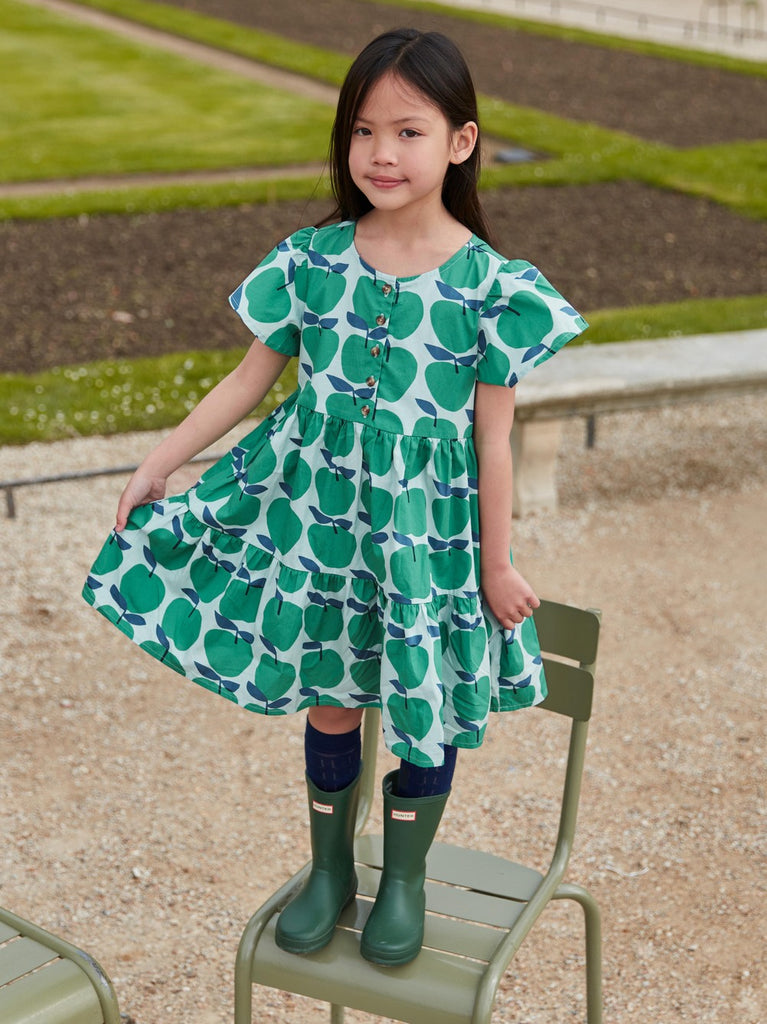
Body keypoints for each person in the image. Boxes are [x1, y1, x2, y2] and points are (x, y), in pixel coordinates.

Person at [83, 27, 587, 966]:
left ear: (461, 142)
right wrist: (163, 461)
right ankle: (328, 869)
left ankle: (403, 880)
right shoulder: (311, 261)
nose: (380, 154)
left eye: (407, 131)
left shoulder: (492, 289)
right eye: (363, 131)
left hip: (426, 537)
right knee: (331, 692)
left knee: (422, 697)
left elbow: (493, 440)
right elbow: (247, 381)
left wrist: (496, 563)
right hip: (320, 529)